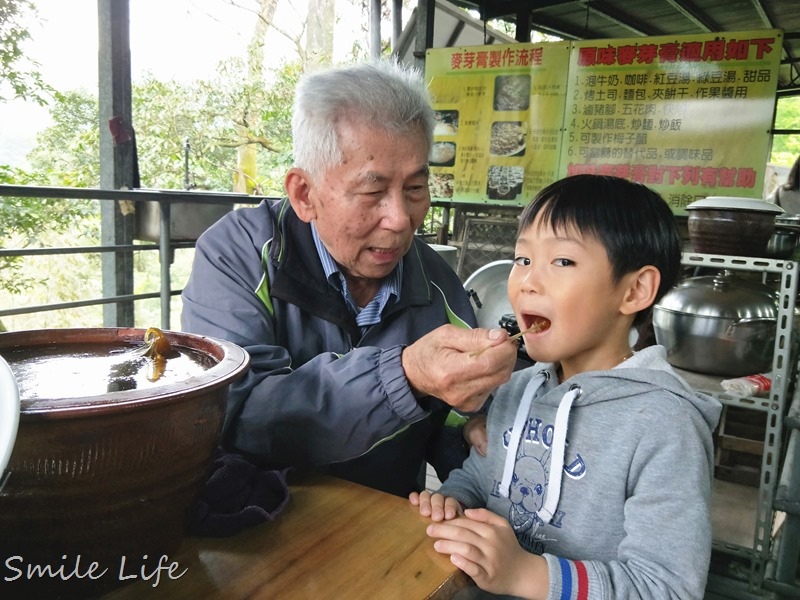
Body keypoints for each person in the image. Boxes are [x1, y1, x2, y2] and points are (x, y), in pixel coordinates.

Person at [180, 58, 518, 498]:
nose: (400, 220)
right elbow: (236, 413)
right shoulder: (240, 254)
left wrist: (472, 424)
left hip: (384, 526)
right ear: (304, 193)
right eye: (373, 191)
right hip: (257, 522)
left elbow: (448, 424)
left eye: (415, 189)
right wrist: (405, 374)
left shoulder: (437, 284)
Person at [410, 174, 723, 599]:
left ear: (634, 290)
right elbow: (484, 476)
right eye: (522, 260)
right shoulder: (519, 389)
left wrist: (527, 574)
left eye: (562, 262)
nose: (527, 282)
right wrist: (452, 499)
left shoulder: (666, 426)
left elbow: (666, 587)